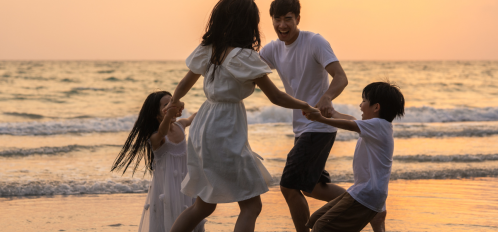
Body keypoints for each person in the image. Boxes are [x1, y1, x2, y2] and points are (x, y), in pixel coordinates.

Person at [166, 0, 319, 231]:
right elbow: (276, 97)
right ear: (248, 23)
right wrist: (307, 105)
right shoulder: (243, 57)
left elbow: (185, 82)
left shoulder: (209, 48)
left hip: (204, 125)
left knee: (204, 205)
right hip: (225, 128)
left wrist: (175, 102)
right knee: (251, 205)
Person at [258, 0, 357, 231]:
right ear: (272, 20)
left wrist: (327, 97)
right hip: (302, 128)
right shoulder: (272, 49)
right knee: (314, 188)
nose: (282, 25)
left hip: (320, 126)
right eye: (277, 19)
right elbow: (247, 69)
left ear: (298, 19)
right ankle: (361, 205)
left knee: (289, 186)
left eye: (288, 19)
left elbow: (341, 77)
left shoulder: (314, 42)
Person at [303, 82, 405, 232]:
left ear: (376, 107)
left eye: (364, 101)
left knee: (322, 226)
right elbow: (350, 119)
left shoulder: (378, 125)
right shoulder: (377, 126)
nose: (360, 105)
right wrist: (330, 111)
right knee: (315, 220)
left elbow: (349, 124)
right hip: (361, 191)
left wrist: (320, 119)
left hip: (366, 194)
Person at [110, 91, 205, 232]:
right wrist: (169, 114)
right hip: (166, 192)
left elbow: (194, 117)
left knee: (191, 220)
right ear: (157, 115)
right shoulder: (156, 138)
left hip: (186, 187)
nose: (172, 106)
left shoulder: (181, 125)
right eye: (166, 105)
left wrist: (211, 103)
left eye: (172, 102)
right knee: (168, 223)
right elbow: (162, 131)